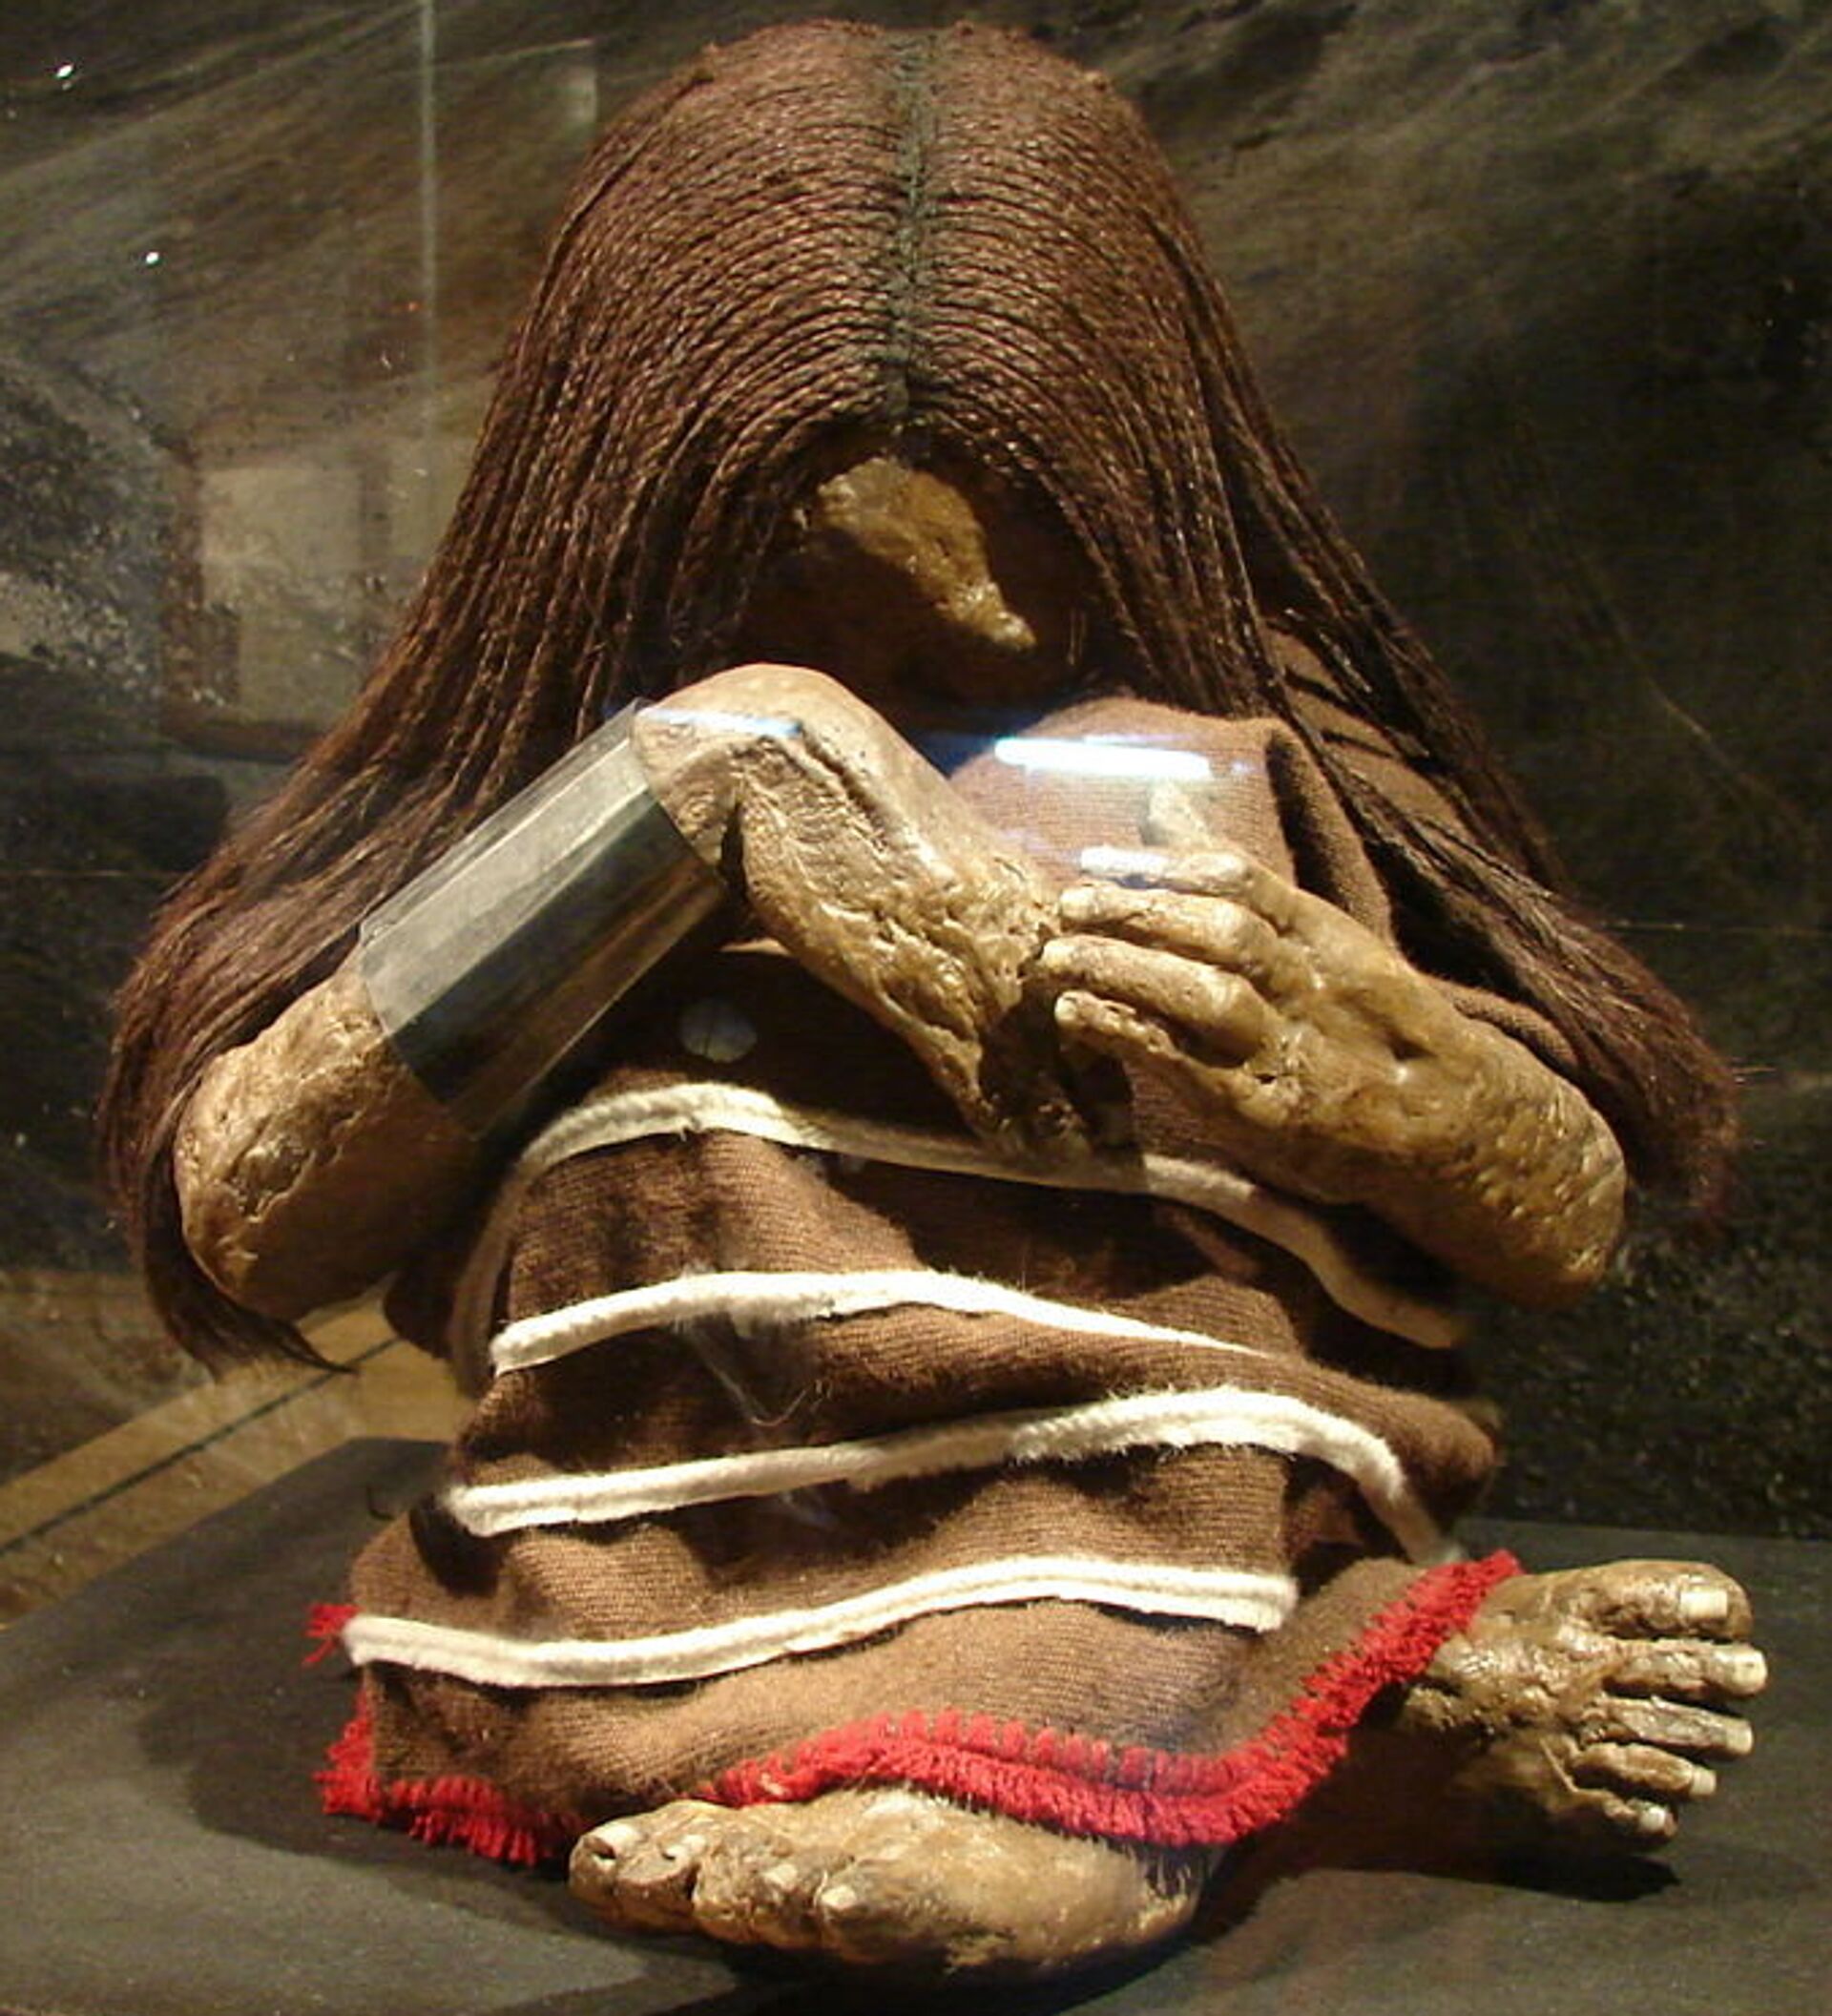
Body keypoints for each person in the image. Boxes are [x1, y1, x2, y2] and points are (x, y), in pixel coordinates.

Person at [101, 21, 1763, 1978]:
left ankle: (1147, 1761)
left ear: (1127, 497)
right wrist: (694, 788)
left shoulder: (1259, 750)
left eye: (974, 634)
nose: (899, 688)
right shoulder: (568, 777)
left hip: (1147, 1515)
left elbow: (1568, 1216)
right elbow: (253, 1209)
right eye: (805, 608)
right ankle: (1343, 1724)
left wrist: (1393, 1080)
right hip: (668, 1537)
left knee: (1152, 1521)